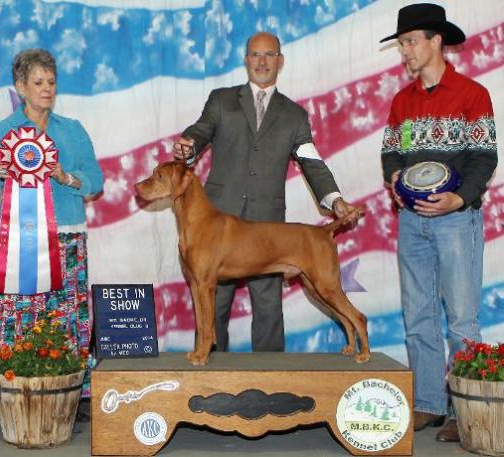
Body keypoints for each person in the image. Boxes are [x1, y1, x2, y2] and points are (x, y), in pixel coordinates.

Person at [173, 32, 359, 354]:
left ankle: (273, 376)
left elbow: (312, 162)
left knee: (269, 307)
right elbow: (200, 131)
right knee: (213, 304)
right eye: (255, 54)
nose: (262, 61)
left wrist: (335, 200)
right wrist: (187, 146)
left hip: (267, 228)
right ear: (246, 60)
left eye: (269, 54)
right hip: (217, 223)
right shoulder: (221, 100)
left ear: (280, 61)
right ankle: (209, 369)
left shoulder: (294, 115)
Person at [380, 4, 497, 442]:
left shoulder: (472, 94)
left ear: (435, 41)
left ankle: (462, 410)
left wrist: (459, 198)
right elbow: (391, 152)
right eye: (401, 44)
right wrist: (394, 178)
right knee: (418, 316)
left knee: (462, 320)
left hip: (456, 221)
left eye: (410, 42)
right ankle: (429, 403)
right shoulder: (402, 101)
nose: (405, 51)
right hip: (412, 223)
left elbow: (485, 157)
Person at [0, 49, 103, 391]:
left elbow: (96, 180)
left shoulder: (73, 130)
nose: (47, 88)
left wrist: (66, 177)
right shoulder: (1, 131)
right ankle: (14, 392)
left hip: (68, 241)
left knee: (68, 318)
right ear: (20, 87)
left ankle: (71, 393)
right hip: (20, 244)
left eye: (51, 82)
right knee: (19, 318)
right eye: (38, 82)